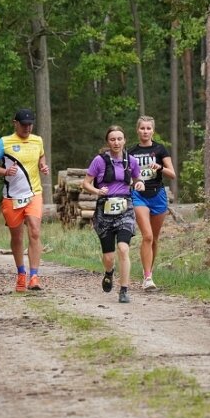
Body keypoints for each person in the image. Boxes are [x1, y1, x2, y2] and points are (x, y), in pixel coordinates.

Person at [0, 108, 50, 293]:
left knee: (35, 231)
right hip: (12, 196)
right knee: (17, 236)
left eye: (30, 124)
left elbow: (41, 156)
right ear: (15, 123)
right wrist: (5, 171)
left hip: (33, 194)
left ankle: (34, 276)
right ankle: (21, 273)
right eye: (24, 125)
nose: (27, 128)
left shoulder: (37, 140)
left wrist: (43, 166)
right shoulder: (4, 142)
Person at [81, 125, 145, 303]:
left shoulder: (131, 160)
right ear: (107, 142)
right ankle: (109, 272)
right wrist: (97, 191)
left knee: (123, 248)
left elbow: (138, 179)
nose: (116, 142)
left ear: (124, 140)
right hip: (104, 209)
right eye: (112, 139)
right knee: (109, 257)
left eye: (119, 139)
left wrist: (139, 184)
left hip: (125, 207)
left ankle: (124, 290)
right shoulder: (99, 161)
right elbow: (86, 183)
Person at [128, 115, 176, 291]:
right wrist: (134, 182)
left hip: (158, 196)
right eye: (142, 128)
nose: (145, 131)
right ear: (137, 130)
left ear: (153, 131)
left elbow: (172, 174)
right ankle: (148, 278)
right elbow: (127, 176)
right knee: (147, 235)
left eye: (148, 128)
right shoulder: (131, 153)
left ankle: (148, 271)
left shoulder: (160, 149)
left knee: (154, 238)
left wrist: (160, 168)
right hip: (139, 196)